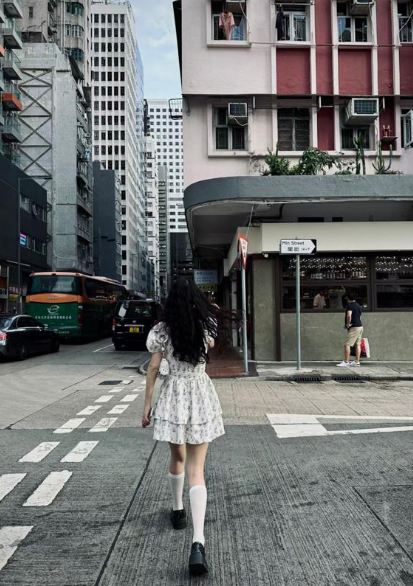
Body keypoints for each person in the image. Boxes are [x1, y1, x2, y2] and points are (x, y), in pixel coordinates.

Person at [142, 278, 225, 576]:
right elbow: (211, 345)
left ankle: (178, 510)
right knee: (196, 470)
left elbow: (153, 368)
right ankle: (198, 542)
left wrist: (147, 404)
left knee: (177, 457)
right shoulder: (206, 326)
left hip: (173, 396)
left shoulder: (162, 331)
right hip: (200, 394)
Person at [337, 292, 363, 367]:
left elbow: (349, 315)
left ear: (347, 298)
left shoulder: (350, 306)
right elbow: (360, 316)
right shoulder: (358, 305)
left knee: (347, 344)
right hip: (360, 326)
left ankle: (346, 361)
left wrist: (348, 324)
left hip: (354, 327)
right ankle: (357, 361)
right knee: (357, 344)